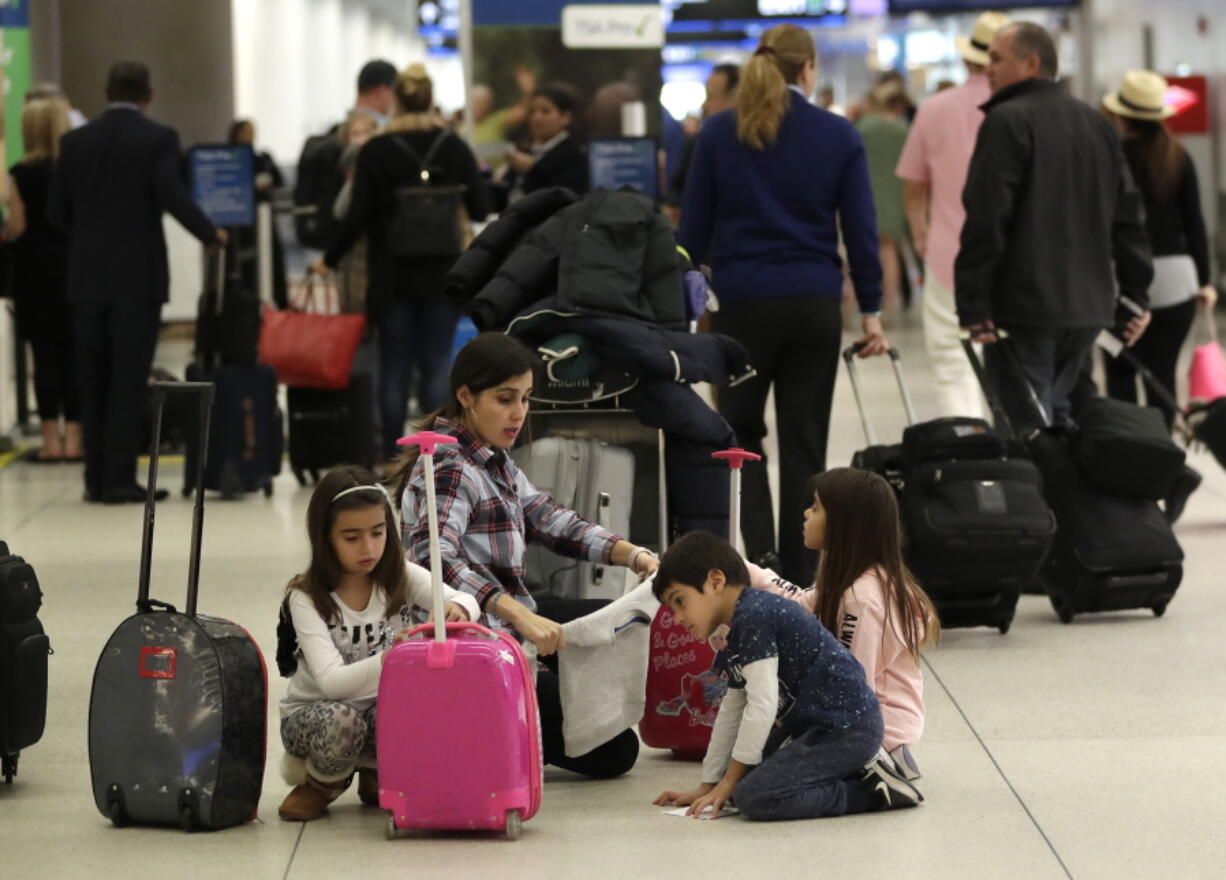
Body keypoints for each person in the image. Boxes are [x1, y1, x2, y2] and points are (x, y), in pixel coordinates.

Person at [678, 24, 888, 586]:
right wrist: (871, 309)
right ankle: (805, 570)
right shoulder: (838, 135)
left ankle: (762, 562)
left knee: (741, 437)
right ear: (809, 69)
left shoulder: (721, 133)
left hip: (742, 306)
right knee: (804, 440)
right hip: (814, 304)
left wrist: (685, 307)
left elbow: (693, 231)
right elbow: (861, 231)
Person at [393, 332, 653, 778]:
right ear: (466, 396)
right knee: (616, 753)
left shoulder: (493, 459)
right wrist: (517, 614)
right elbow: (436, 562)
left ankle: (555, 702)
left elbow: (550, 519)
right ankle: (511, 723)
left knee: (613, 619)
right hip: (475, 646)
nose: (519, 414)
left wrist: (634, 556)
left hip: (510, 623)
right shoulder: (452, 467)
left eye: (526, 399)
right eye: (505, 399)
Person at [956, 23, 1153, 432]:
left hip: (1025, 307)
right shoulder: (1097, 124)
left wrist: (973, 303)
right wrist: (1135, 294)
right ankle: (1060, 496)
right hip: (1087, 308)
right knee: (1059, 417)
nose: (986, 69)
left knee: (1023, 428)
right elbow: (1128, 216)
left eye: (995, 59)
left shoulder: (1006, 122)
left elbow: (987, 215)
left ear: (1030, 63)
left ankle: (1037, 495)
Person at [650, 530, 922, 820]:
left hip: (847, 730)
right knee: (741, 782)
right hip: (813, 730)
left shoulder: (755, 616)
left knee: (754, 797)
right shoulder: (739, 624)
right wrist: (710, 784)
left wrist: (728, 783)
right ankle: (851, 770)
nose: (678, 618)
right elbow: (732, 709)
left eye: (680, 601)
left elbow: (762, 706)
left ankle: (871, 791)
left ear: (716, 581)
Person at [48, 61, 225, 504]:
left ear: (107, 92)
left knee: (91, 380)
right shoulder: (157, 139)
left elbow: (55, 211)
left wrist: (88, 242)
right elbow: (171, 193)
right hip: (137, 281)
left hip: (86, 281)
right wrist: (210, 233)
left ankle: (94, 479)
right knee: (128, 380)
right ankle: (120, 479)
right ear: (148, 94)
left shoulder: (74, 142)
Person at [277, 466, 480, 821]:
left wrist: (456, 608)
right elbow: (332, 683)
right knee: (343, 720)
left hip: (383, 713)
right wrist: (394, 658)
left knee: (427, 704)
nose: (368, 547)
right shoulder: (305, 596)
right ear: (324, 538)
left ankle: (378, 773)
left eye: (378, 532)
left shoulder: (398, 575)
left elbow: (466, 600)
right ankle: (323, 783)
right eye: (351, 537)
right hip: (316, 718)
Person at [314, 64, 490, 461]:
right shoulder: (453, 145)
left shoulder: (376, 150)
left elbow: (356, 215)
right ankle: (434, 458)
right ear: (430, 99)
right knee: (435, 366)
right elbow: (481, 205)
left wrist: (329, 259)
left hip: (390, 277)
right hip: (443, 276)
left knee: (392, 366)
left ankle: (391, 458)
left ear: (396, 99)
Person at [746, 468, 940, 780]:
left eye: (817, 507)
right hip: (861, 719)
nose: (806, 513)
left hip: (873, 731)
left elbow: (853, 686)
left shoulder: (860, 598)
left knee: (757, 781)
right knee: (753, 755)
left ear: (845, 525)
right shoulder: (855, 579)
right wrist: (741, 569)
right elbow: (801, 602)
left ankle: (879, 777)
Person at [896, 11, 1010, 419]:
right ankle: (1020, 461)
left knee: (952, 363)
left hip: (950, 252)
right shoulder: (1024, 111)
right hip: (1017, 258)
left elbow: (913, 185)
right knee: (1013, 363)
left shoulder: (935, 109)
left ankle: (972, 461)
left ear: (967, 60)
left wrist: (921, 234)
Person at [1101, 70, 1217, 425]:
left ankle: (1129, 454)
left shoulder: (1108, 158)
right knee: (1163, 375)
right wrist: (1205, 280)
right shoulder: (1178, 157)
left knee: (1120, 374)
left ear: (1121, 115)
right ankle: (1164, 456)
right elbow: (1194, 223)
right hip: (1179, 278)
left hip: (1122, 278)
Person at [5, 98, 80, 462]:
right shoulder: (76, 169)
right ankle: (77, 438)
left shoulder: (19, 173)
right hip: (75, 269)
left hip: (34, 273)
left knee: (45, 357)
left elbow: (17, 227)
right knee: (77, 355)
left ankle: (52, 441)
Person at [293, 59, 398, 251]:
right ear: (382, 90)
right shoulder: (373, 137)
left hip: (340, 237)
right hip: (365, 239)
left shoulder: (338, 135)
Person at [858, 82, 911, 313]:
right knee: (889, 252)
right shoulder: (903, 131)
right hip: (894, 196)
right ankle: (889, 305)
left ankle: (853, 306)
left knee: (857, 252)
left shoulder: (863, 128)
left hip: (864, 195)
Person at [228, 119, 288, 307]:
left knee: (270, 255)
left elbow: (279, 180)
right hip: (240, 217)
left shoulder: (263, 157)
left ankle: (277, 297)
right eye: (246, 131)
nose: (250, 134)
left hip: (263, 214)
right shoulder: (232, 157)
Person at [670, 63, 741, 204]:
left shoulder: (702, 145)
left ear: (735, 99)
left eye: (710, 97)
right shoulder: (699, 142)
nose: (704, 106)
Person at [503, 84, 588, 199]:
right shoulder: (525, 151)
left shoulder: (574, 154)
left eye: (546, 111)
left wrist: (532, 170)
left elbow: (563, 197)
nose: (536, 118)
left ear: (565, 117)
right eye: (532, 112)